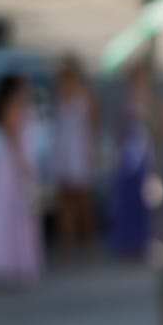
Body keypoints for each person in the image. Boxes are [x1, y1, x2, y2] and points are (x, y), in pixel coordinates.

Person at [109, 59, 163, 259]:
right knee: (130, 198)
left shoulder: (160, 98)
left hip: (151, 152)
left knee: (154, 198)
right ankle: (131, 242)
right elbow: (121, 128)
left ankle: (156, 240)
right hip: (131, 153)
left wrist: (155, 128)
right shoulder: (129, 97)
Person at [0, 74, 42, 285]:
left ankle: (20, 261)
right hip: (14, 165)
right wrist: (24, 165)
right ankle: (12, 261)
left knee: (21, 214)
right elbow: (14, 136)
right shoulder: (13, 107)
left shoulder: (21, 106)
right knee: (16, 212)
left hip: (16, 163)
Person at [51, 55, 101, 258]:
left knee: (83, 204)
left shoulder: (86, 97)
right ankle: (69, 247)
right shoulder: (61, 95)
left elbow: (94, 126)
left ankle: (89, 245)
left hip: (78, 153)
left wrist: (92, 152)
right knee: (68, 204)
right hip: (66, 153)